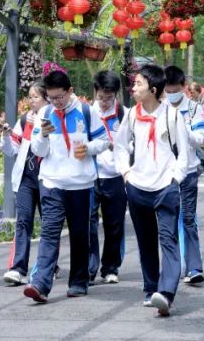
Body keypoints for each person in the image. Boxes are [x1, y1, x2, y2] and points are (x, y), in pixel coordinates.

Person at [23, 70, 108, 303]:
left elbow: (104, 141)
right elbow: (38, 151)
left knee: (79, 234)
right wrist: (42, 136)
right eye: (51, 98)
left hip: (80, 183)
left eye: (60, 97)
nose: (56, 102)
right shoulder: (45, 113)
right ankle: (40, 284)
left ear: (70, 91)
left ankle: (79, 281)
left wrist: (88, 148)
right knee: (49, 233)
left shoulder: (86, 111)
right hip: (51, 182)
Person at [114, 64, 190, 317]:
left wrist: (175, 179)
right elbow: (120, 146)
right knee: (146, 242)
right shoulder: (131, 115)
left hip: (166, 187)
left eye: (138, 84)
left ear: (153, 90)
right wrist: (126, 174)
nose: (133, 88)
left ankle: (166, 293)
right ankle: (150, 290)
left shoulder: (172, 116)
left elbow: (184, 154)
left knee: (168, 240)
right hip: (137, 187)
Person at [0, 82, 49, 286]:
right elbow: (11, 149)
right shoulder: (24, 120)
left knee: (49, 225)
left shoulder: (53, 119)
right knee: (23, 222)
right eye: (30, 96)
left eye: (36, 97)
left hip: (48, 180)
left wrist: (39, 124)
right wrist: (5, 135)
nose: (31, 100)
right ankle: (18, 268)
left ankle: (49, 265)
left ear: (46, 99)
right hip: (25, 180)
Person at [164, 66, 204, 286]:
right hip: (166, 174)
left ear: (184, 87)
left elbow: (201, 138)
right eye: (168, 90)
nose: (171, 94)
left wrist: (183, 130)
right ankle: (173, 267)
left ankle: (194, 267)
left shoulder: (193, 109)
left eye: (175, 90)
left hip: (188, 172)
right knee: (168, 222)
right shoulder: (159, 109)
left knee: (189, 219)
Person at [88, 70, 127, 285]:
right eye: (101, 97)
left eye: (109, 98)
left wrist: (119, 146)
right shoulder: (87, 113)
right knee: (88, 222)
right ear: (95, 92)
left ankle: (110, 267)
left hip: (115, 176)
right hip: (91, 176)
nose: (104, 102)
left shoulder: (124, 115)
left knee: (114, 224)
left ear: (116, 95)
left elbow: (133, 144)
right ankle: (89, 267)